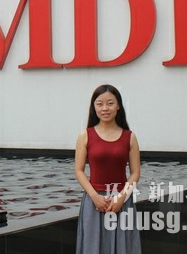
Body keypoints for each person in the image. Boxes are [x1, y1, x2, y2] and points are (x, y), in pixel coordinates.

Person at [75, 84, 141, 253]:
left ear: (118, 106)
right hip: (94, 201)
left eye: (110, 103)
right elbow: (79, 171)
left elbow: (135, 173)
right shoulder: (85, 135)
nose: (105, 108)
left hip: (122, 200)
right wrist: (95, 197)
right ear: (94, 107)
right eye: (100, 104)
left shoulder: (130, 137)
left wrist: (121, 197)